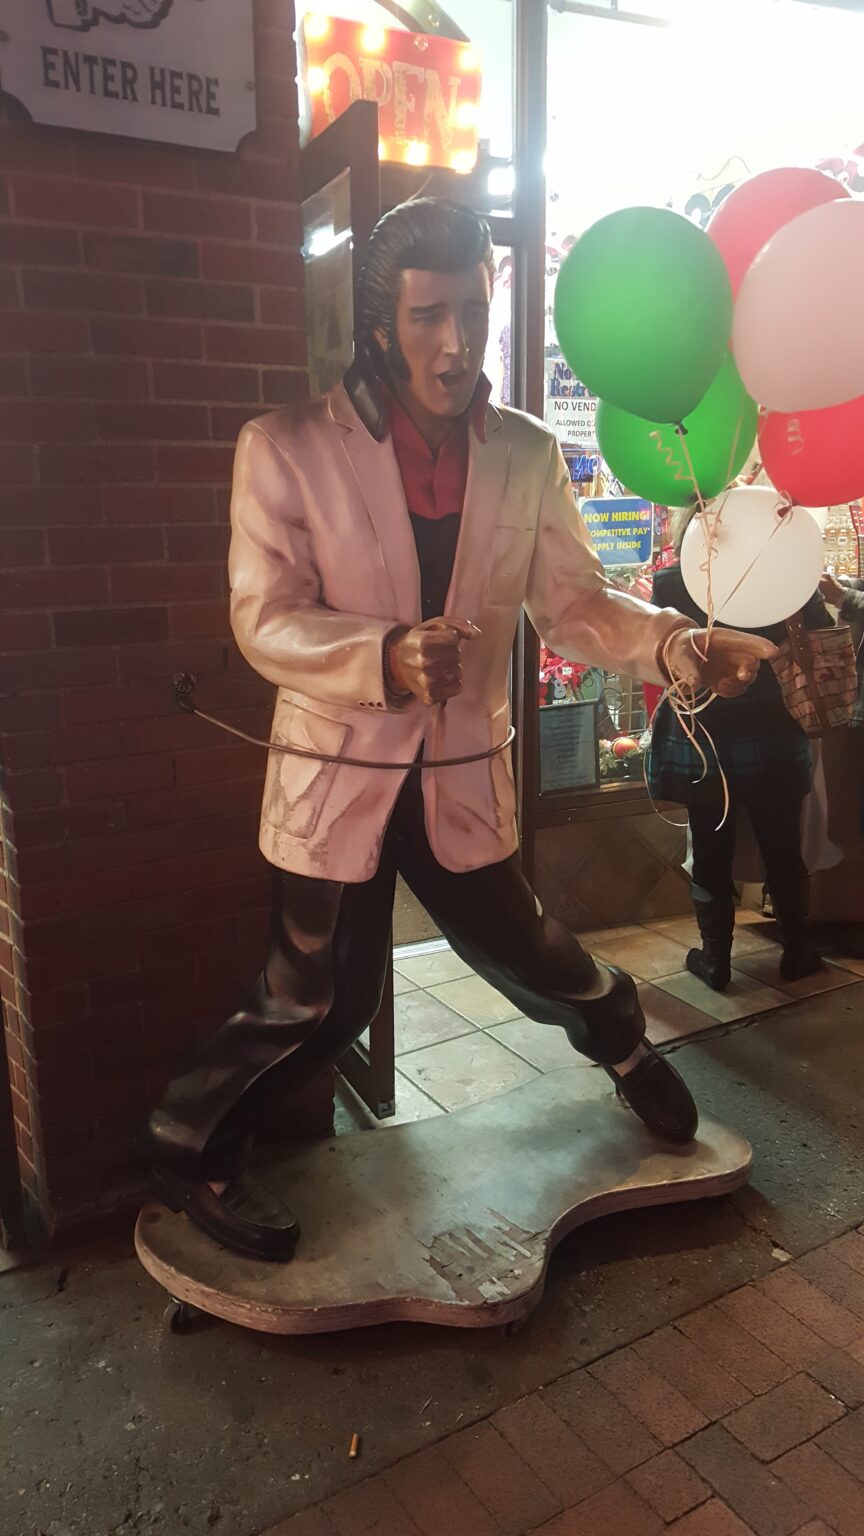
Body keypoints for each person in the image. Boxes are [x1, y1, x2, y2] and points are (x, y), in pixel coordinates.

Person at [146, 199, 775, 1262]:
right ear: (381, 328)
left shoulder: (526, 452)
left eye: (472, 313)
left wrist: (673, 643)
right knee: (317, 998)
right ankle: (187, 1142)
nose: (455, 342)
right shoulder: (286, 449)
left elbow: (573, 606)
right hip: (336, 774)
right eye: (428, 316)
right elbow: (264, 619)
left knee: (527, 947)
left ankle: (625, 1046)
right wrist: (383, 653)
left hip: (460, 772)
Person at [649, 507, 830, 993]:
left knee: (710, 849)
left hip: (702, 737)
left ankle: (715, 960)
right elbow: (820, 629)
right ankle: (798, 951)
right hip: (775, 730)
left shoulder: (671, 581)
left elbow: (660, 655)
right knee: (783, 846)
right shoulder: (787, 575)